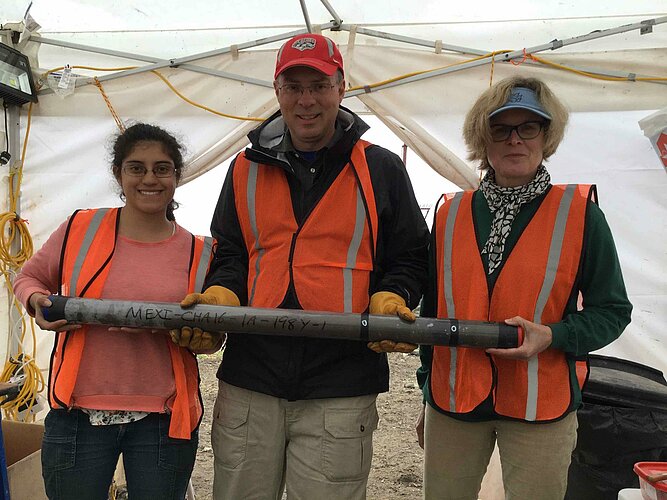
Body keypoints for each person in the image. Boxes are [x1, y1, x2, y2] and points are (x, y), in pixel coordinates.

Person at [174, 33, 429, 499]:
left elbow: (411, 254)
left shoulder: (382, 168)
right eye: (293, 87)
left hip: (341, 385)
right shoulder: (245, 167)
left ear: (341, 87)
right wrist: (221, 296)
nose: (306, 100)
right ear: (277, 91)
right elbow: (231, 252)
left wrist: (393, 294)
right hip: (251, 379)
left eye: (319, 86)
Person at [416, 76, 633, 499]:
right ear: (483, 138)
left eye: (528, 127)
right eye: (500, 129)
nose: (515, 140)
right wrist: (427, 391)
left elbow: (612, 311)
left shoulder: (580, 215)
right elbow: (433, 312)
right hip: (453, 401)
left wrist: (553, 335)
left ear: (546, 136)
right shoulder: (449, 215)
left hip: (542, 405)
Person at [13, 123, 217, 500]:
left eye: (162, 168)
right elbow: (29, 278)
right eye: (136, 167)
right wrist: (36, 302)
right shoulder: (80, 228)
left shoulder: (200, 252)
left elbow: (211, 335)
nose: (149, 178)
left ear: (176, 175)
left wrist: (180, 330)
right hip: (78, 414)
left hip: (164, 419)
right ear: (118, 173)